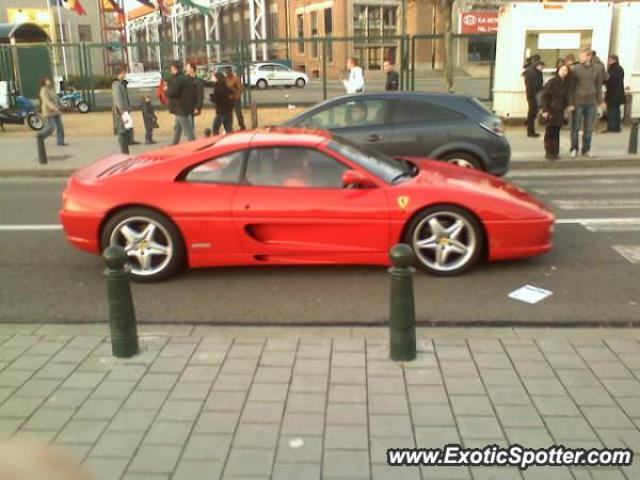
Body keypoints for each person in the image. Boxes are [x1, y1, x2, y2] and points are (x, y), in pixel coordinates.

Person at [568, 47, 604, 157]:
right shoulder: (575, 69)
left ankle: (586, 149)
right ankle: (574, 148)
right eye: (580, 56)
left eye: (583, 56)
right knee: (575, 127)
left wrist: (600, 101)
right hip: (578, 101)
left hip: (591, 101)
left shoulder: (597, 69)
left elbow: (599, 85)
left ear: (589, 56)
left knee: (589, 127)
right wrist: (570, 103)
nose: (581, 58)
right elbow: (570, 87)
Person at [541, 64, 571, 161]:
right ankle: (549, 152)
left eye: (565, 70)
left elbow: (566, 97)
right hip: (551, 109)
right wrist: (545, 110)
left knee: (556, 132)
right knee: (550, 132)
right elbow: (545, 96)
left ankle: (555, 152)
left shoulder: (566, 83)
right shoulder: (552, 82)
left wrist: (567, 106)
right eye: (562, 69)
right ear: (558, 70)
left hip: (560, 110)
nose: (563, 72)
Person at [165, 61, 196, 145]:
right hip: (184, 106)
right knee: (177, 127)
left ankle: (195, 145)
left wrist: (166, 91)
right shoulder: (186, 78)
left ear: (175, 68)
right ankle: (174, 144)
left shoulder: (177, 79)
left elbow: (173, 92)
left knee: (187, 129)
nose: (170, 70)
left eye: (171, 68)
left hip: (180, 107)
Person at [37, 77, 66, 147]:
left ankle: (60, 142)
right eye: (47, 80)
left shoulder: (52, 89)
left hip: (56, 111)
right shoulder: (43, 90)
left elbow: (56, 98)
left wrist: (61, 104)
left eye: (49, 80)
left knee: (60, 127)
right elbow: (46, 101)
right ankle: (40, 137)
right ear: (44, 82)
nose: (49, 82)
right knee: (51, 128)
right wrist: (53, 108)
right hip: (49, 111)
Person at [112, 67, 133, 154]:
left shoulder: (121, 84)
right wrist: (122, 110)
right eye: (123, 73)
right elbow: (118, 99)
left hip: (124, 110)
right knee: (122, 130)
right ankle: (124, 150)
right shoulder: (116, 85)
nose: (125, 75)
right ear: (119, 74)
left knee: (127, 128)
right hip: (121, 111)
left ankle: (126, 147)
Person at [604, 54, 625, 133]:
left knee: (612, 111)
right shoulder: (620, 68)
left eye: (610, 60)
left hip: (613, 93)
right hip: (619, 93)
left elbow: (610, 80)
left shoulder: (613, 69)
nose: (608, 61)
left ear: (614, 60)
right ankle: (617, 127)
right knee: (616, 111)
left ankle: (611, 128)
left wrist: (605, 82)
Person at [524, 59, 544, 137]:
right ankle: (530, 131)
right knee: (532, 113)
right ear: (538, 66)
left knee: (532, 113)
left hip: (531, 95)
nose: (542, 69)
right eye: (542, 67)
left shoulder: (531, 71)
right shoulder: (535, 73)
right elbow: (536, 85)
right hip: (533, 95)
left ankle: (530, 130)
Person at [186, 62, 204, 129]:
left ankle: (191, 138)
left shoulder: (197, 81)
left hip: (191, 106)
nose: (186, 69)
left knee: (190, 125)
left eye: (187, 68)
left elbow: (200, 95)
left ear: (192, 69)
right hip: (184, 106)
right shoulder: (185, 79)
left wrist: (198, 107)